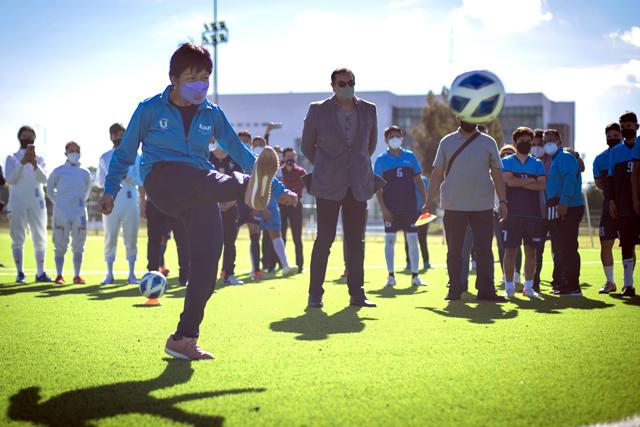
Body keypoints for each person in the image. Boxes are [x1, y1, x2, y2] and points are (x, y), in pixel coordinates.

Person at [99, 43, 296, 360]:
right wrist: (110, 188)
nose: (200, 85)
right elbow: (124, 154)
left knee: (206, 266)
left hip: (203, 188)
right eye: (192, 77)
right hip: (163, 180)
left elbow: (241, 152)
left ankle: (183, 337)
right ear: (174, 79)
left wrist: (276, 186)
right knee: (205, 178)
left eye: (205, 77)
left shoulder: (212, 114)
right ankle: (247, 188)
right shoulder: (149, 109)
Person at [301, 67, 379, 308]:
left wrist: (353, 166)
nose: (347, 86)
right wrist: (327, 166)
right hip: (327, 184)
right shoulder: (317, 110)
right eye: (342, 83)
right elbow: (306, 146)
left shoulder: (369, 109)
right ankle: (315, 294)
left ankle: (357, 294)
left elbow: (370, 145)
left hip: (358, 183)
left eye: (351, 82)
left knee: (356, 241)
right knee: (325, 238)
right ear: (333, 86)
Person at [425, 118, 507, 301]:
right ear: (457, 118)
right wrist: (428, 201)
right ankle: (455, 288)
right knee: (454, 250)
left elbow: (497, 173)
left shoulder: (488, 141)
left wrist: (503, 201)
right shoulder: (446, 141)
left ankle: (486, 290)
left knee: (484, 249)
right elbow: (437, 172)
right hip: (454, 206)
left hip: (483, 206)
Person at [374, 125, 427, 287]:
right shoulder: (381, 160)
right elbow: (377, 187)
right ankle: (390, 276)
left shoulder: (410, 157)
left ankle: (415, 276)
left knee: (412, 239)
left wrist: (425, 203)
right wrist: (383, 208)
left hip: (410, 207)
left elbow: (419, 181)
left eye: (397, 136)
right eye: (391, 137)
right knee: (390, 240)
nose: (394, 139)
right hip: (391, 208)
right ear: (386, 140)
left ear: (402, 138)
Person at [501, 127, 546, 298]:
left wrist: (519, 181)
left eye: (529, 142)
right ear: (515, 143)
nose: (525, 144)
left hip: (533, 214)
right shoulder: (506, 161)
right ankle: (509, 287)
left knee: (531, 252)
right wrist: (530, 181)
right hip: (512, 213)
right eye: (522, 142)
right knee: (510, 251)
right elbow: (509, 182)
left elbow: (542, 185)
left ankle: (528, 288)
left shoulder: (538, 163)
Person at [5, 125, 52, 283]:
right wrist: (22, 162)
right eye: (25, 136)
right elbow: (10, 179)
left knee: (40, 237)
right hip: (17, 202)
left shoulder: (40, 159)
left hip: (37, 201)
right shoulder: (12, 158)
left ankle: (40, 273)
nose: (28, 139)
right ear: (20, 138)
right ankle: (20, 273)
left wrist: (34, 164)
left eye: (31, 137)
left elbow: (44, 180)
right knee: (18, 238)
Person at [96, 123, 142, 285]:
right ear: (111, 137)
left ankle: (131, 274)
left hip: (130, 201)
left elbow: (141, 180)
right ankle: (109, 274)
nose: (118, 137)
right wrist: (114, 177)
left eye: (121, 134)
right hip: (111, 201)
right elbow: (100, 182)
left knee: (131, 237)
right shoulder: (105, 157)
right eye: (115, 134)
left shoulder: (136, 156)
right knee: (110, 236)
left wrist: (127, 176)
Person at [544, 129, 584, 296]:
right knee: (560, 246)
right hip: (558, 205)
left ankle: (572, 284)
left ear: (559, 141)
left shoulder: (565, 157)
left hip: (567, 206)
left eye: (551, 139)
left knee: (567, 245)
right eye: (546, 140)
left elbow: (569, 178)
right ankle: (563, 282)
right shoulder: (556, 159)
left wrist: (564, 202)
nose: (548, 143)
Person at [45, 142, 92, 284]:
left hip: (79, 212)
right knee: (60, 244)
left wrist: (78, 204)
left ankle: (77, 275)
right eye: (71, 150)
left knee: (79, 245)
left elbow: (87, 192)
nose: (74, 153)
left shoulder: (85, 172)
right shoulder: (58, 171)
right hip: (61, 212)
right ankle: (59, 275)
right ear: (65, 153)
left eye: (77, 150)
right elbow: (49, 190)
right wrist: (59, 203)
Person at [251, 136, 297, 277]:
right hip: (254, 201)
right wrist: (261, 207)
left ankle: (285, 266)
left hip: (271, 202)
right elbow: (251, 186)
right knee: (254, 235)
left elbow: (277, 183)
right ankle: (255, 270)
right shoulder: (249, 163)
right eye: (256, 144)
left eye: (262, 144)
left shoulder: (274, 164)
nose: (259, 146)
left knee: (275, 232)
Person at [607, 111, 639, 297]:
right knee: (627, 245)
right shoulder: (616, 152)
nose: (627, 129)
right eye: (623, 126)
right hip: (624, 206)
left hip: (638, 204)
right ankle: (629, 284)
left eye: (629, 126)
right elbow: (610, 178)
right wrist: (611, 200)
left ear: (637, 126)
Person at [593, 122, 623, 293]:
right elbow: (598, 183)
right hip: (607, 207)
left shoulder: (630, 154)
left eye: (615, 136)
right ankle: (610, 282)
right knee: (605, 244)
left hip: (628, 207)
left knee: (628, 245)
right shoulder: (599, 159)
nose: (612, 139)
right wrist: (610, 196)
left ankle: (628, 283)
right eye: (609, 136)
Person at [209, 140, 244, 285]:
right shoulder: (207, 158)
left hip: (230, 208)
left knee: (230, 242)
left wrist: (231, 202)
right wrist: (214, 202)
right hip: (210, 208)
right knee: (210, 243)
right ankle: (208, 275)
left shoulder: (235, 160)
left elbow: (241, 184)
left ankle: (229, 274)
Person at [495, 144, 522, 285]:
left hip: (518, 211)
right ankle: (505, 274)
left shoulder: (518, 170)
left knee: (517, 244)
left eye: (509, 154)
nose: (505, 156)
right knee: (502, 245)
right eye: (503, 154)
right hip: (498, 213)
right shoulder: (495, 172)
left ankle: (517, 273)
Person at [280, 147, 307, 273]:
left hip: (295, 206)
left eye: (293, 156)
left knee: (297, 237)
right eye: (288, 156)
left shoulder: (301, 172)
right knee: (281, 235)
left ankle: (300, 265)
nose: (290, 158)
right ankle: (281, 264)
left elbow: (304, 188)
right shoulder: (279, 172)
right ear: (283, 158)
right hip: (282, 205)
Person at [404, 173, 431, 270]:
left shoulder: (423, 179)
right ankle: (411, 262)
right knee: (413, 238)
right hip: (410, 212)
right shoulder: (422, 179)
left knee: (419, 238)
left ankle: (425, 262)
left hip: (420, 212)